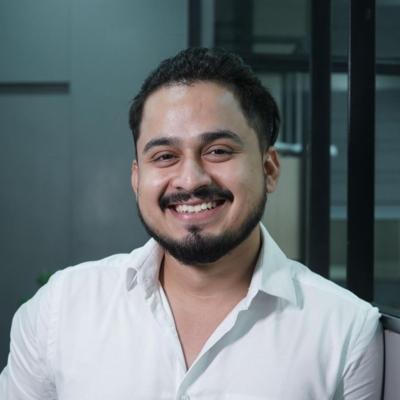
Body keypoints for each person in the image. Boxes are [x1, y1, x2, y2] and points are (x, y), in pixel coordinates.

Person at [0, 47, 383, 399]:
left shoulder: (344, 330)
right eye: (165, 156)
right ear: (137, 179)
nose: (190, 180)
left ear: (269, 169)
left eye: (218, 151)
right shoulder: (59, 309)